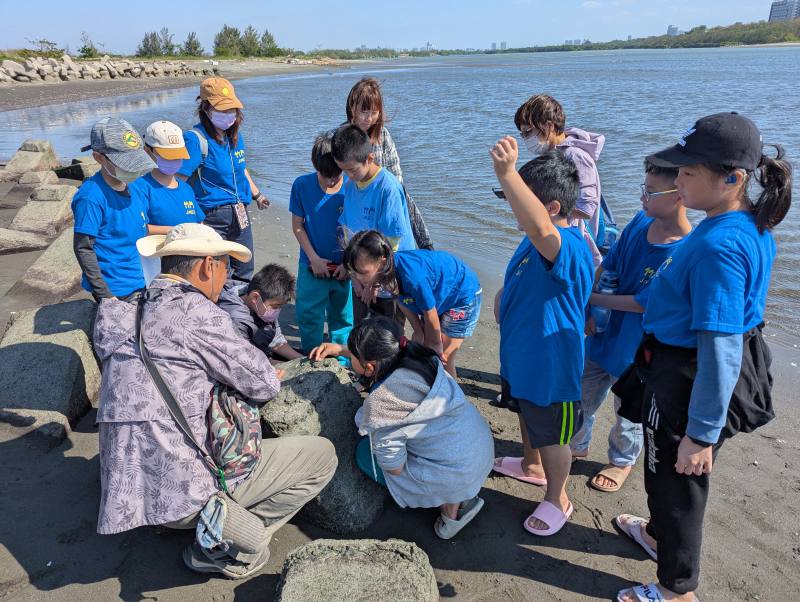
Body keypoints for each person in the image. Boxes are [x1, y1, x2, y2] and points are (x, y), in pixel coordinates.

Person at [94, 222, 337, 578]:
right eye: (226, 268)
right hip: (184, 495)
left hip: (127, 493)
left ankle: (194, 522)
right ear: (208, 266)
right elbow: (263, 382)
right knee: (323, 456)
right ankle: (221, 545)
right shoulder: (198, 314)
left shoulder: (122, 310)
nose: (226, 281)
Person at [614, 113, 790, 602]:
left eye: (689, 172)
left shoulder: (720, 247)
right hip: (690, 363)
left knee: (678, 486)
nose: (679, 181)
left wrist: (701, 434)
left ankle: (676, 590)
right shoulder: (739, 223)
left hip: (689, 376)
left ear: (733, 179)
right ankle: (656, 536)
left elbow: (721, 346)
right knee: (666, 475)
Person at [309, 316, 494, 540]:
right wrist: (341, 350)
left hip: (455, 475)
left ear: (370, 366)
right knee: (434, 444)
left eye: (354, 355)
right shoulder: (421, 356)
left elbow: (393, 466)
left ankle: (450, 509)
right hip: (480, 450)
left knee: (365, 454)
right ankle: (463, 495)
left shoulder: (384, 400)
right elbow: (380, 358)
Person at [490, 143, 593, 537]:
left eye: (522, 201)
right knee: (526, 413)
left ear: (550, 208)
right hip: (521, 357)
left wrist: (507, 173)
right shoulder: (532, 242)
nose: (514, 209)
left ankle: (557, 497)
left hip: (550, 366)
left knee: (552, 435)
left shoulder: (567, 244)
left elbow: (541, 229)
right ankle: (531, 466)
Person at [572, 159, 692, 493]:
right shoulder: (641, 220)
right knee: (582, 394)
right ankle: (577, 444)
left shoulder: (684, 250)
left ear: (680, 195)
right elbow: (608, 264)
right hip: (601, 333)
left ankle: (621, 461)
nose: (642, 197)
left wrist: (592, 299)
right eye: (643, 188)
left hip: (637, 349)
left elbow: (643, 302)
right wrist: (588, 308)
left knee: (628, 412)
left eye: (651, 192)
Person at [342, 229, 482, 377]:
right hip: (439, 295)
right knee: (424, 346)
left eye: (363, 272)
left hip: (462, 294)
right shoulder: (386, 272)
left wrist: (435, 344)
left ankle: (450, 390)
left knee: (442, 359)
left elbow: (429, 311)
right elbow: (401, 299)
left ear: (382, 260)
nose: (358, 277)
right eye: (354, 272)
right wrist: (418, 330)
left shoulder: (413, 278)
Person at [177, 77, 269, 282]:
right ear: (206, 108)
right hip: (211, 216)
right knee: (217, 272)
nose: (229, 114)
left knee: (244, 267)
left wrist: (258, 195)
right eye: (222, 109)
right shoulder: (196, 139)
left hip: (240, 211)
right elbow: (179, 182)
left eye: (232, 109)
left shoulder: (234, 137)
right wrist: (192, 215)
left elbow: (241, 169)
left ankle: (239, 302)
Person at [331, 123, 415, 325]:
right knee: (362, 330)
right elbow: (348, 235)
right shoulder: (350, 187)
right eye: (343, 170)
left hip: (390, 280)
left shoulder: (388, 188)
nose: (347, 176)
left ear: (369, 158)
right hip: (361, 276)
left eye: (352, 170)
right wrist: (354, 276)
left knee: (388, 334)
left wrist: (374, 285)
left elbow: (392, 244)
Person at [514, 94, 605, 265]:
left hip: (572, 243)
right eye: (522, 134)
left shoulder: (575, 156)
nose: (525, 139)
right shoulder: (552, 154)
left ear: (548, 126)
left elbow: (586, 209)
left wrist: (537, 209)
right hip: (556, 238)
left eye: (528, 132)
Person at [72, 117, 154, 302]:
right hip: (116, 289)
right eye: (125, 163)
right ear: (99, 157)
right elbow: (84, 248)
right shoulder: (91, 197)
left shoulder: (135, 188)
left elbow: (141, 230)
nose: (133, 169)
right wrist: (106, 295)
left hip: (143, 277)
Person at [346, 76, 433, 250]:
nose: (368, 118)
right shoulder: (343, 136)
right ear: (352, 107)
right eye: (364, 111)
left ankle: (426, 246)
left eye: (374, 112)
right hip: (356, 203)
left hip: (383, 200)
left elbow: (396, 180)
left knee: (402, 194)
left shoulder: (383, 136)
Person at [289, 131, 353, 355]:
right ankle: (312, 358)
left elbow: (359, 230)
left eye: (335, 175)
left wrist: (349, 264)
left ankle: (342, 361)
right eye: (325, 175)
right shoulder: (302, 185)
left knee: (343, 318)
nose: (330, 180)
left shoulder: (352, 188)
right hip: (311, 263)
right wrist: (314, 258)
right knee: (308, 315)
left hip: (343, 267)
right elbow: (298, 226)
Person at [218, 263, 304, 362]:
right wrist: (288, 366)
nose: (277, 310)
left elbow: (276, 341)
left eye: (280, 306)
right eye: (275, 306)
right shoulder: (233, 318)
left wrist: (299, 359)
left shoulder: (260, 303)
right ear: (255, 297)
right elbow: (246, 359)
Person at [141, 120, 205, 233]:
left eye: (177, 155)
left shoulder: (187, 189)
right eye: (167, 156)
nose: (173, 160)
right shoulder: (140, 188)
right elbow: (136, 227)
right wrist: (176, 230)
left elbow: (199, 223)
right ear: (147, 151)